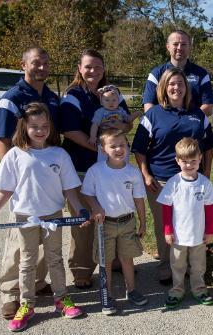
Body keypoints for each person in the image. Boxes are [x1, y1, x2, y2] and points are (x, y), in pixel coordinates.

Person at [0, 103, 86, 332]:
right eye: (34, 126)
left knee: (55, 258)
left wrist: (80, 211)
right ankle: (27, 304)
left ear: (50, 127)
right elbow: (5, 191)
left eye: (44, 126)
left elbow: (70, 190)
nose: (40, 130)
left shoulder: (59, 154)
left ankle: (61, 299)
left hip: (53, 216)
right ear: (24, 127)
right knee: (27, 261)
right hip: (25, 217)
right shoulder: (16, 155)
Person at [132, 68, 213, 285]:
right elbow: (139, 148)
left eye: (180, 83)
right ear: (163, 88)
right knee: (165, 226)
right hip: (161, 180)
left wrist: (205, 173)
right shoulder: (153, 114)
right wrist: (146, 175)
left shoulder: (197, 114)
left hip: (192, 180)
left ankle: (189, 266)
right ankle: (166, 267)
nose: (176, 88)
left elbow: (208, 146)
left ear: (186, 87)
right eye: (171, 84)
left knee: (191, 222)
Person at [0, 46, 59, 320]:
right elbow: (3, 140)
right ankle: (10, 294)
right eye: (36, 62)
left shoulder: (52, 98)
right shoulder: (12, 99)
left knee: (47, 235)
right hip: (23, 180)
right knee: (18, 241)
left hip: (48, 176)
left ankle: (36, 283)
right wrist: (13, 179)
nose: (41, 67)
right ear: (23, 65)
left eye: (45, 62)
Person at [60, 49, 132, 289]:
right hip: (81, 166)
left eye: (98, 67)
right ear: (79, 68)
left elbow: (127, 122)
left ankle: (112, 261)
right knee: (84, 220)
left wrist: (119, 127)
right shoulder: (73, 95)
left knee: (111, 214)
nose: (93, 71)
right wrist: (101, 148)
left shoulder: (111, 93)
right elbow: (69, 130)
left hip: (111, 169)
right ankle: (81, 269)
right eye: (88, 67)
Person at [81, 129, 148, 314]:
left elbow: (139, 199)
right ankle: (107, 295)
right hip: (105, 224)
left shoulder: (133, 173)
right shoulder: (96, 171)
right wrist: (95, 207)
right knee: (106, 260)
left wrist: (143, 222)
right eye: (113, 146)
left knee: (127, 258)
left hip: (127, 222)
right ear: (103, 150)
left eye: (122, 145)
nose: (119, 149)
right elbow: (87, 193)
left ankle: (132, 290)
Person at [157, 138, 213, 309]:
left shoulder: (204, 183)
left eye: (193, 161)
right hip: (178, 236)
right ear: (177, 161)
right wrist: (168, 231)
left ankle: (199, 289)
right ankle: (177, 290)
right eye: (185, 161)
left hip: (198, 235)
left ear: (200, 158)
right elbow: (166, 209)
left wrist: (210, 230)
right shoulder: (173, 183)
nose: (189, 165)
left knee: (198, 266)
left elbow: (209, 208)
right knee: (177, 265)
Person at [142, 30, 213, 116]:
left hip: (192, 127)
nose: (179, 48)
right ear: (168, 46)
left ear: (189, 47)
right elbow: (148, 106)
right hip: (164, 127)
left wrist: (186, 122)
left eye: (183, 44)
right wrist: (166, 123)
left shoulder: (201, 74)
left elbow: (208, 107)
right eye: (175, 44)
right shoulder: (156, 73)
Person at [89, 85, 139, 162]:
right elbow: (95, 124)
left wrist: (136, 114)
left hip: (119, 139)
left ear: (118, 101)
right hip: (104, 140)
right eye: (107, 100)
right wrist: (93, 137)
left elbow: (128, 119)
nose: (111, 103)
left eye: (114, 100)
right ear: (101, 102)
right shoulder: (100, 112)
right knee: (103, 161)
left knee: (122, 160)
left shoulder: (121, 110)